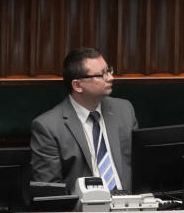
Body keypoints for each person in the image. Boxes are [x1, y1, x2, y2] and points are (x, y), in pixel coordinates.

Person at [30, 47, 138, 192]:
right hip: (82, 211)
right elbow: (50, 191)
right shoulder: (48, 127)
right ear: (77, 85)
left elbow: (141, 166)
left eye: (109, 70)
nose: (111, 78)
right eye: (102, 75)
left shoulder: (124, 110)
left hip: (130, 208)